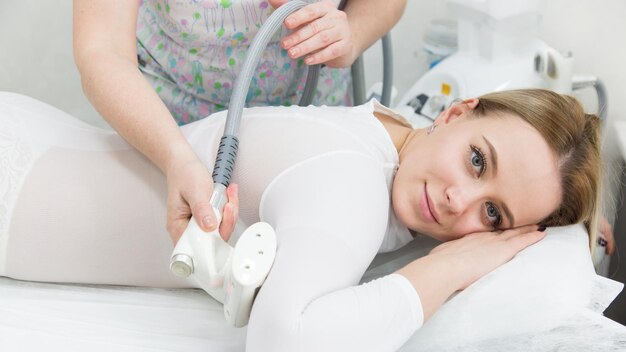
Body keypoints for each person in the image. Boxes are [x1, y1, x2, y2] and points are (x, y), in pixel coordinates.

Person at [0, 89, 601, 351]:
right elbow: (284, 341)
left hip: (31, 142)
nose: (457, 201)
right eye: (477, 160)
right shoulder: (354, 179)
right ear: (456, 112)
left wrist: (575, 231)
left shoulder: (386, 130)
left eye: (492, 213)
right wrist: (450, 267)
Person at [72, 0, 407, 246]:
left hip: (312, 116)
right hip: (172, 129)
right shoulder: (176, 149)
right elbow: (104, 50)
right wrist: (176, 158)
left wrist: (354, 32)